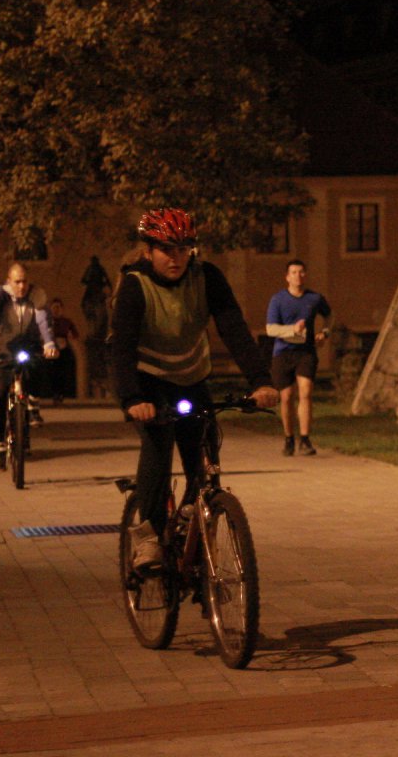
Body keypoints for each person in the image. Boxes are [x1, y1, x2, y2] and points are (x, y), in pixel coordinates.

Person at [110, 208, 277, 571]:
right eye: (166, 250)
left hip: (192, 379)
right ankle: (149, 536)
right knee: (158, 447)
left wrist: (260, 381)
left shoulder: (207, 277)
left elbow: (233, 328)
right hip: (149, 384)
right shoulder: (136, 285)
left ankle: (192, 523)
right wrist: (132, 399)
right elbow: (122, 347)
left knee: (204, 463)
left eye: (183, 249)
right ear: (148, 250)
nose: (176, 258)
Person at [0, 263, 58, 469]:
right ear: (9, 281)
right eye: (17, 282)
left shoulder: (36, 296)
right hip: (3, 350)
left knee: (36, 369)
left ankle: (32, 407)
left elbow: (44, 321)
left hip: (28, 347)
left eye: (24, 281)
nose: (21, 286)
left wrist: (49, 344)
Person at [266, 259, 331, 456]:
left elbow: (329, 315)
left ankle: (305, 439)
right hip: (283, 353)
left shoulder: (314, 298)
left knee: (306, 392)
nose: (298, 276)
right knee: (286, 397)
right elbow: (270, 329)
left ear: (305, 275)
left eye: (301, 272)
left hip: (306, 352)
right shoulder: (278, 300)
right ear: (287, 277)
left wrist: (325, 332)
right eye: (294, 272)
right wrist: (292, 330)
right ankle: (288, 438)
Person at [47, 298, 80, 403]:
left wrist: (70, 336)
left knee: (63, 372)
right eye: (54, 308)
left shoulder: (67, 322)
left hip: (63, 349)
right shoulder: (47, 322)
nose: (56, 310)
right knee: (53, 372)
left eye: (58, 307)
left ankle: (62, 393)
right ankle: (53, 393)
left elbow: (75, 334)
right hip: (51, 350)